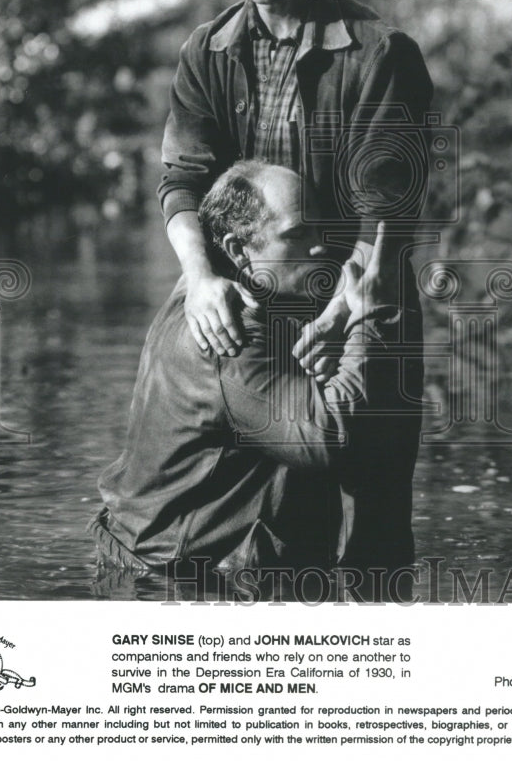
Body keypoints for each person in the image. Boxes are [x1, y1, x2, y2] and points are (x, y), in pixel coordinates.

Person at [159, 0, 433, 384]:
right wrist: (198, 277)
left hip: (350, 299)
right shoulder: (205, 51)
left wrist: (340, 316)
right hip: (237, 302)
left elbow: (387, 213)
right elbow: (182, 180)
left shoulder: (380, 56)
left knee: (348, 459)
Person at [92, 162, 411, 597]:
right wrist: (369, 316)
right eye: (297, 235)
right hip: (175, 587)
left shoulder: (212, 288)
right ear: (238, 249)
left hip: (165, 567)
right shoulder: (230, 336)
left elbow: (365, 252)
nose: (320, 248)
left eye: (319, 230)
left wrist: (342, 312)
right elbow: (330, 440)